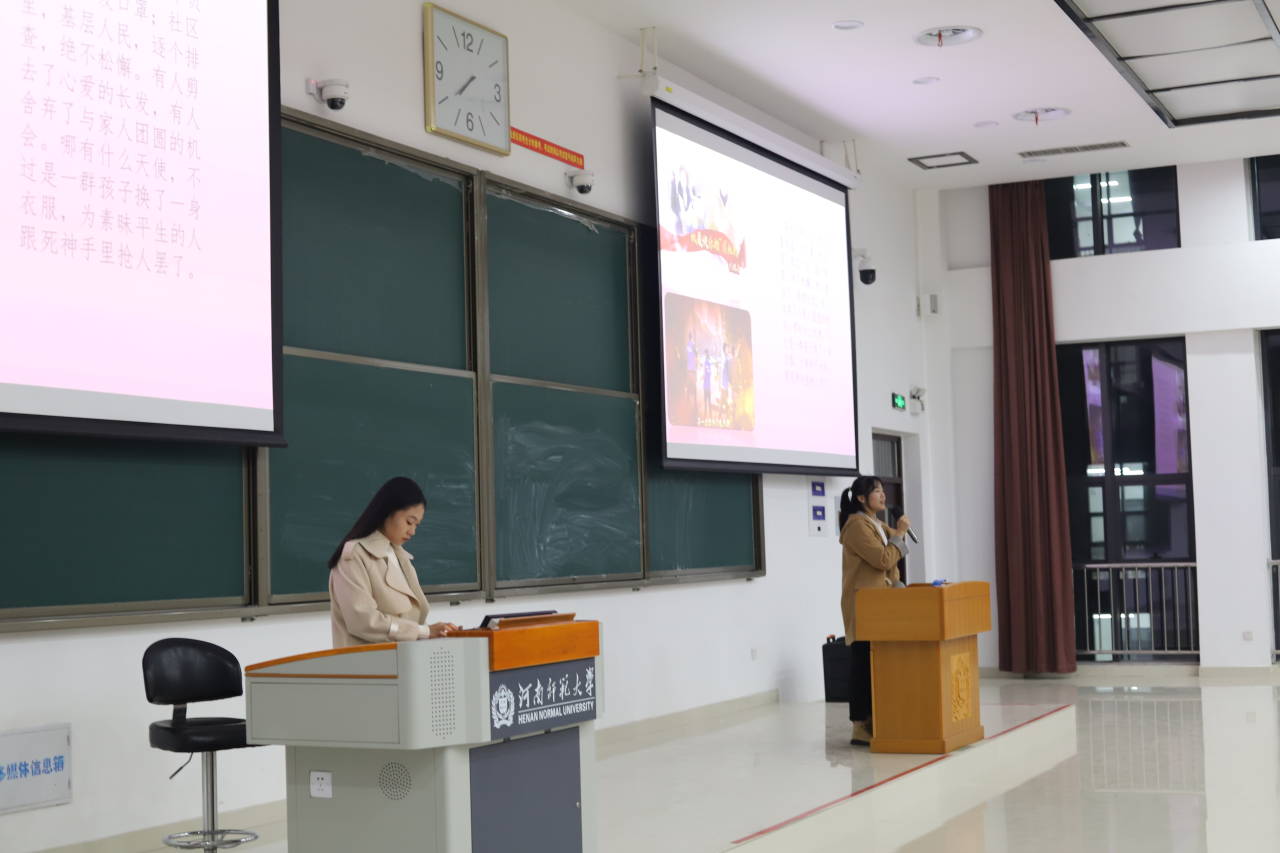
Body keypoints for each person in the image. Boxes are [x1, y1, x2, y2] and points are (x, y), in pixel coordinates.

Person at [327, 476, 459, 648]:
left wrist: (435, 632)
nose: (412, 531)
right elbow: (363, 621)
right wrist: (424, 631)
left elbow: (413, 622)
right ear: (388, 511)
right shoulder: (354, 556)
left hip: (402, 659)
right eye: (409, 522)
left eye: (416, 525)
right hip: (366, 662)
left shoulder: (401, 558)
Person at [838, 476, 911, 746]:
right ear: (861, 498)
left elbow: (894, 550)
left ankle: (876, 719)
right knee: (862, 663)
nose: (883, 495)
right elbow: (883, 559)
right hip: (864, 605)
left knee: (875, 663)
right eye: (876, 491)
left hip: (880, 604)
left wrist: (898, 534)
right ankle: (859, 725)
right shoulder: (857, 526)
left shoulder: (875, 523)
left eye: (882, 491)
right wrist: (900, 534)